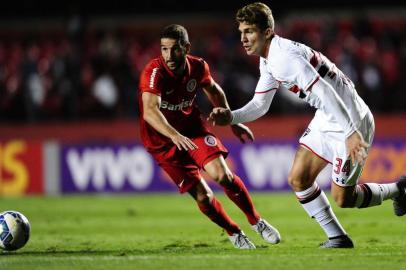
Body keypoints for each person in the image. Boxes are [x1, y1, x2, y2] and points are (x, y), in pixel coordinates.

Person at [208, 2, 406, 248]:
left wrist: (351, 132)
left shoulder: (283, 58)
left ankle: (399, 189)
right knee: (298, 178)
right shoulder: (269, 59)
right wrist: (232, 117)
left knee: (344, 197)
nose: (243, 38)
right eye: (241, 32)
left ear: (267, 31)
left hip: (350, 117)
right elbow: (261, 103)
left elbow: (324, 92)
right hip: (327, 116)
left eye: (249, 31)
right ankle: (338, 238)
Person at [139, 24, 281, 249]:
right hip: (163, 143)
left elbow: (214, 90)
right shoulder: (154, 71)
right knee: (204, 197)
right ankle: (234, 232)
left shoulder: (197, 66)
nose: (168, 55)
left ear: (186, 48)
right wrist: (174, 136)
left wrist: (233, 120)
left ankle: (257, 221)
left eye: (174, 49)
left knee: (223, 175)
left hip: (193, 131)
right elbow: (149, 111)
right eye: (164, 49)